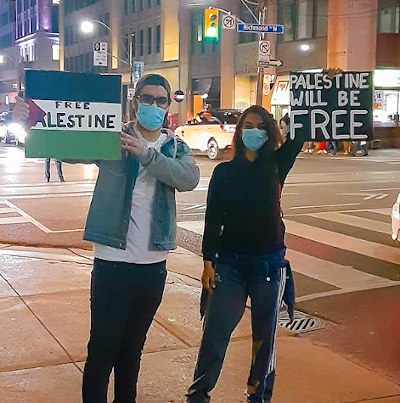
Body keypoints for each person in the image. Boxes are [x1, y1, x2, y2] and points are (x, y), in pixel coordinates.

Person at [13, 74, 200, 403]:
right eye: (147, 98)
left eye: (160, 100)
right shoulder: (111, 136)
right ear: (134, 101)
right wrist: (32, 121)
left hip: (152, 266)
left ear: (168, 106)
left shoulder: (176, 147)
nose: (153, 106)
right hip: (112, 263)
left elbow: (187, 178)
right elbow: (69, 148)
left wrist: (146, 154)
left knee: (132, 350)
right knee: (102, 349)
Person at [185, 105, 302, 403]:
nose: (254, 131)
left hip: (268, 264)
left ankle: (258, 396)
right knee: (215, 332)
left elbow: (304, 130)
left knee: (264, 339)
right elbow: (212, 220)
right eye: (248, 125)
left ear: (269, 132)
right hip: (230, 264)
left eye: (260, 126)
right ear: (239, 132)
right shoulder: (224, 172)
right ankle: (199, 394)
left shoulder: (277, 164)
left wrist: (322, 88)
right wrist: (207, 263)